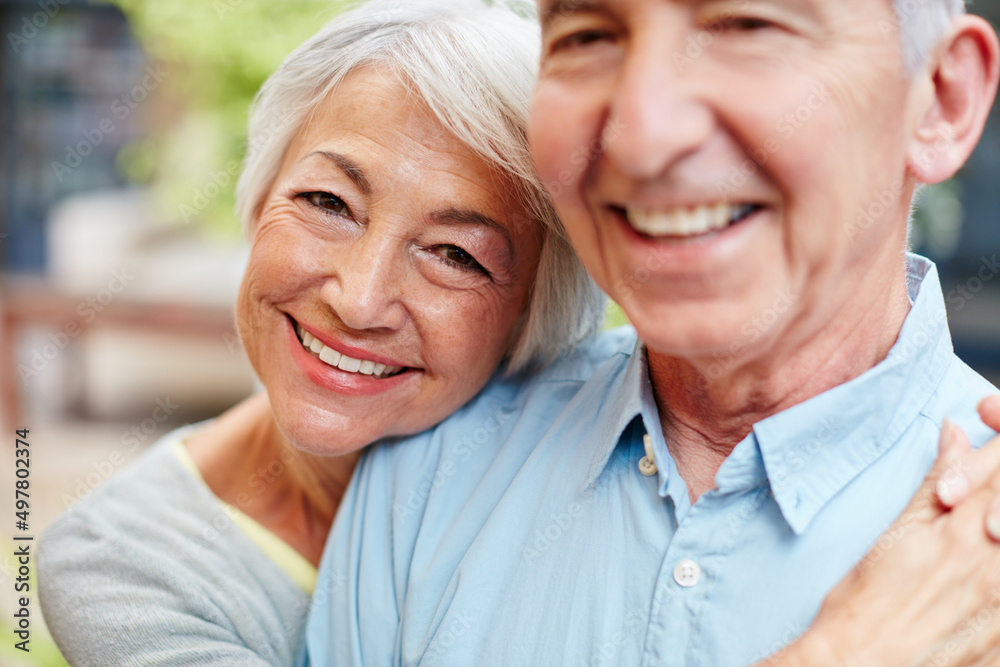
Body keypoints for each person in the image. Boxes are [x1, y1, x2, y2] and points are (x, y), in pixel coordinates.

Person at [300, 0, 1000, 665]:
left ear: (940, 101)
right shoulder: (429, 467)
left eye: (747, 25)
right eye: (586, 36)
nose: (642, 135)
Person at [36, 2, 607, 664]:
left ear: (531, 315)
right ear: (256, 202)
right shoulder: (117, 563)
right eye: (328, 202)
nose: (360, 299)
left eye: (455, 253)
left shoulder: (610, 452)